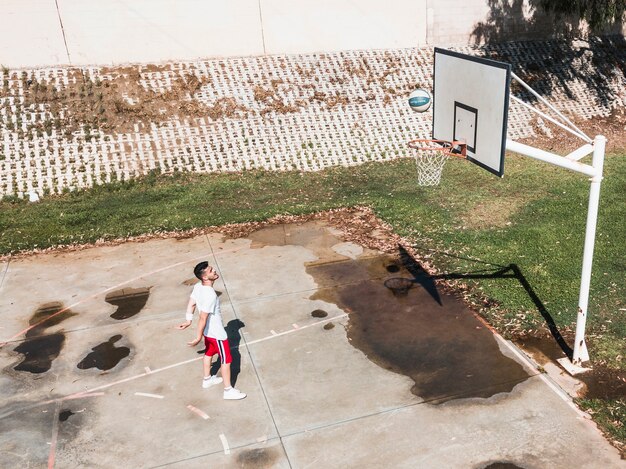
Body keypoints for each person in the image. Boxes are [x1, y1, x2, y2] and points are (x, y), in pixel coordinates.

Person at [178, 261, 246, 400]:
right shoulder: (210, 295)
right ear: (204, 277)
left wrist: (188, 320)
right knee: (227, 359)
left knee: (209, 353)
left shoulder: (198, 286)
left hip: (208, 333)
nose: (214, 271)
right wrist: (198, 337)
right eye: (210, 270)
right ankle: (228, 390)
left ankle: (207, 380)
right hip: (217, 334)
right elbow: (203, 317)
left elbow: (191, 303)